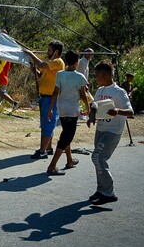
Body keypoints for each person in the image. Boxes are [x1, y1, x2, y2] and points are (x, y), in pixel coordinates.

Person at [87, 61, 134, 205]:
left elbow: (131, 112)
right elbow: (95, 105)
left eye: (97, 76)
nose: (95, 78)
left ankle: (109, 192)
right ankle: (101, 190)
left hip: (113, 132)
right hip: (100, 130)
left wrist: (118, 111)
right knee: (98, 160)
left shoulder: (119, 92)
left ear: (105, 75)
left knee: (97, 157)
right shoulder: (100, 90)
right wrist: (92, 115)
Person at [46, 50, 90, 176]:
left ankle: (69, 161)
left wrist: (50, 110)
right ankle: (52, 166)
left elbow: (55, 93)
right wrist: (88, 108)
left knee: (66, 134)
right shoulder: (80, 77)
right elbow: (83, 95)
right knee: (66, 137)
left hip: (61, 109)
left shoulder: (60, 74)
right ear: (77, 62)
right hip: (72, 110)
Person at [24, 41, 65, 160]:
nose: (48, 52)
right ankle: (48, 148)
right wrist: (32, 68)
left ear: (56, 52)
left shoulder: (57, 62)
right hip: (45, 97)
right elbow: (40, 74)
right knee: (46, 124)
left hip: (51, 98)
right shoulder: (50, 63)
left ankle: (42, 151)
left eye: (50, 50)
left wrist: (31, 54)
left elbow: (41, 64)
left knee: (48, 124)